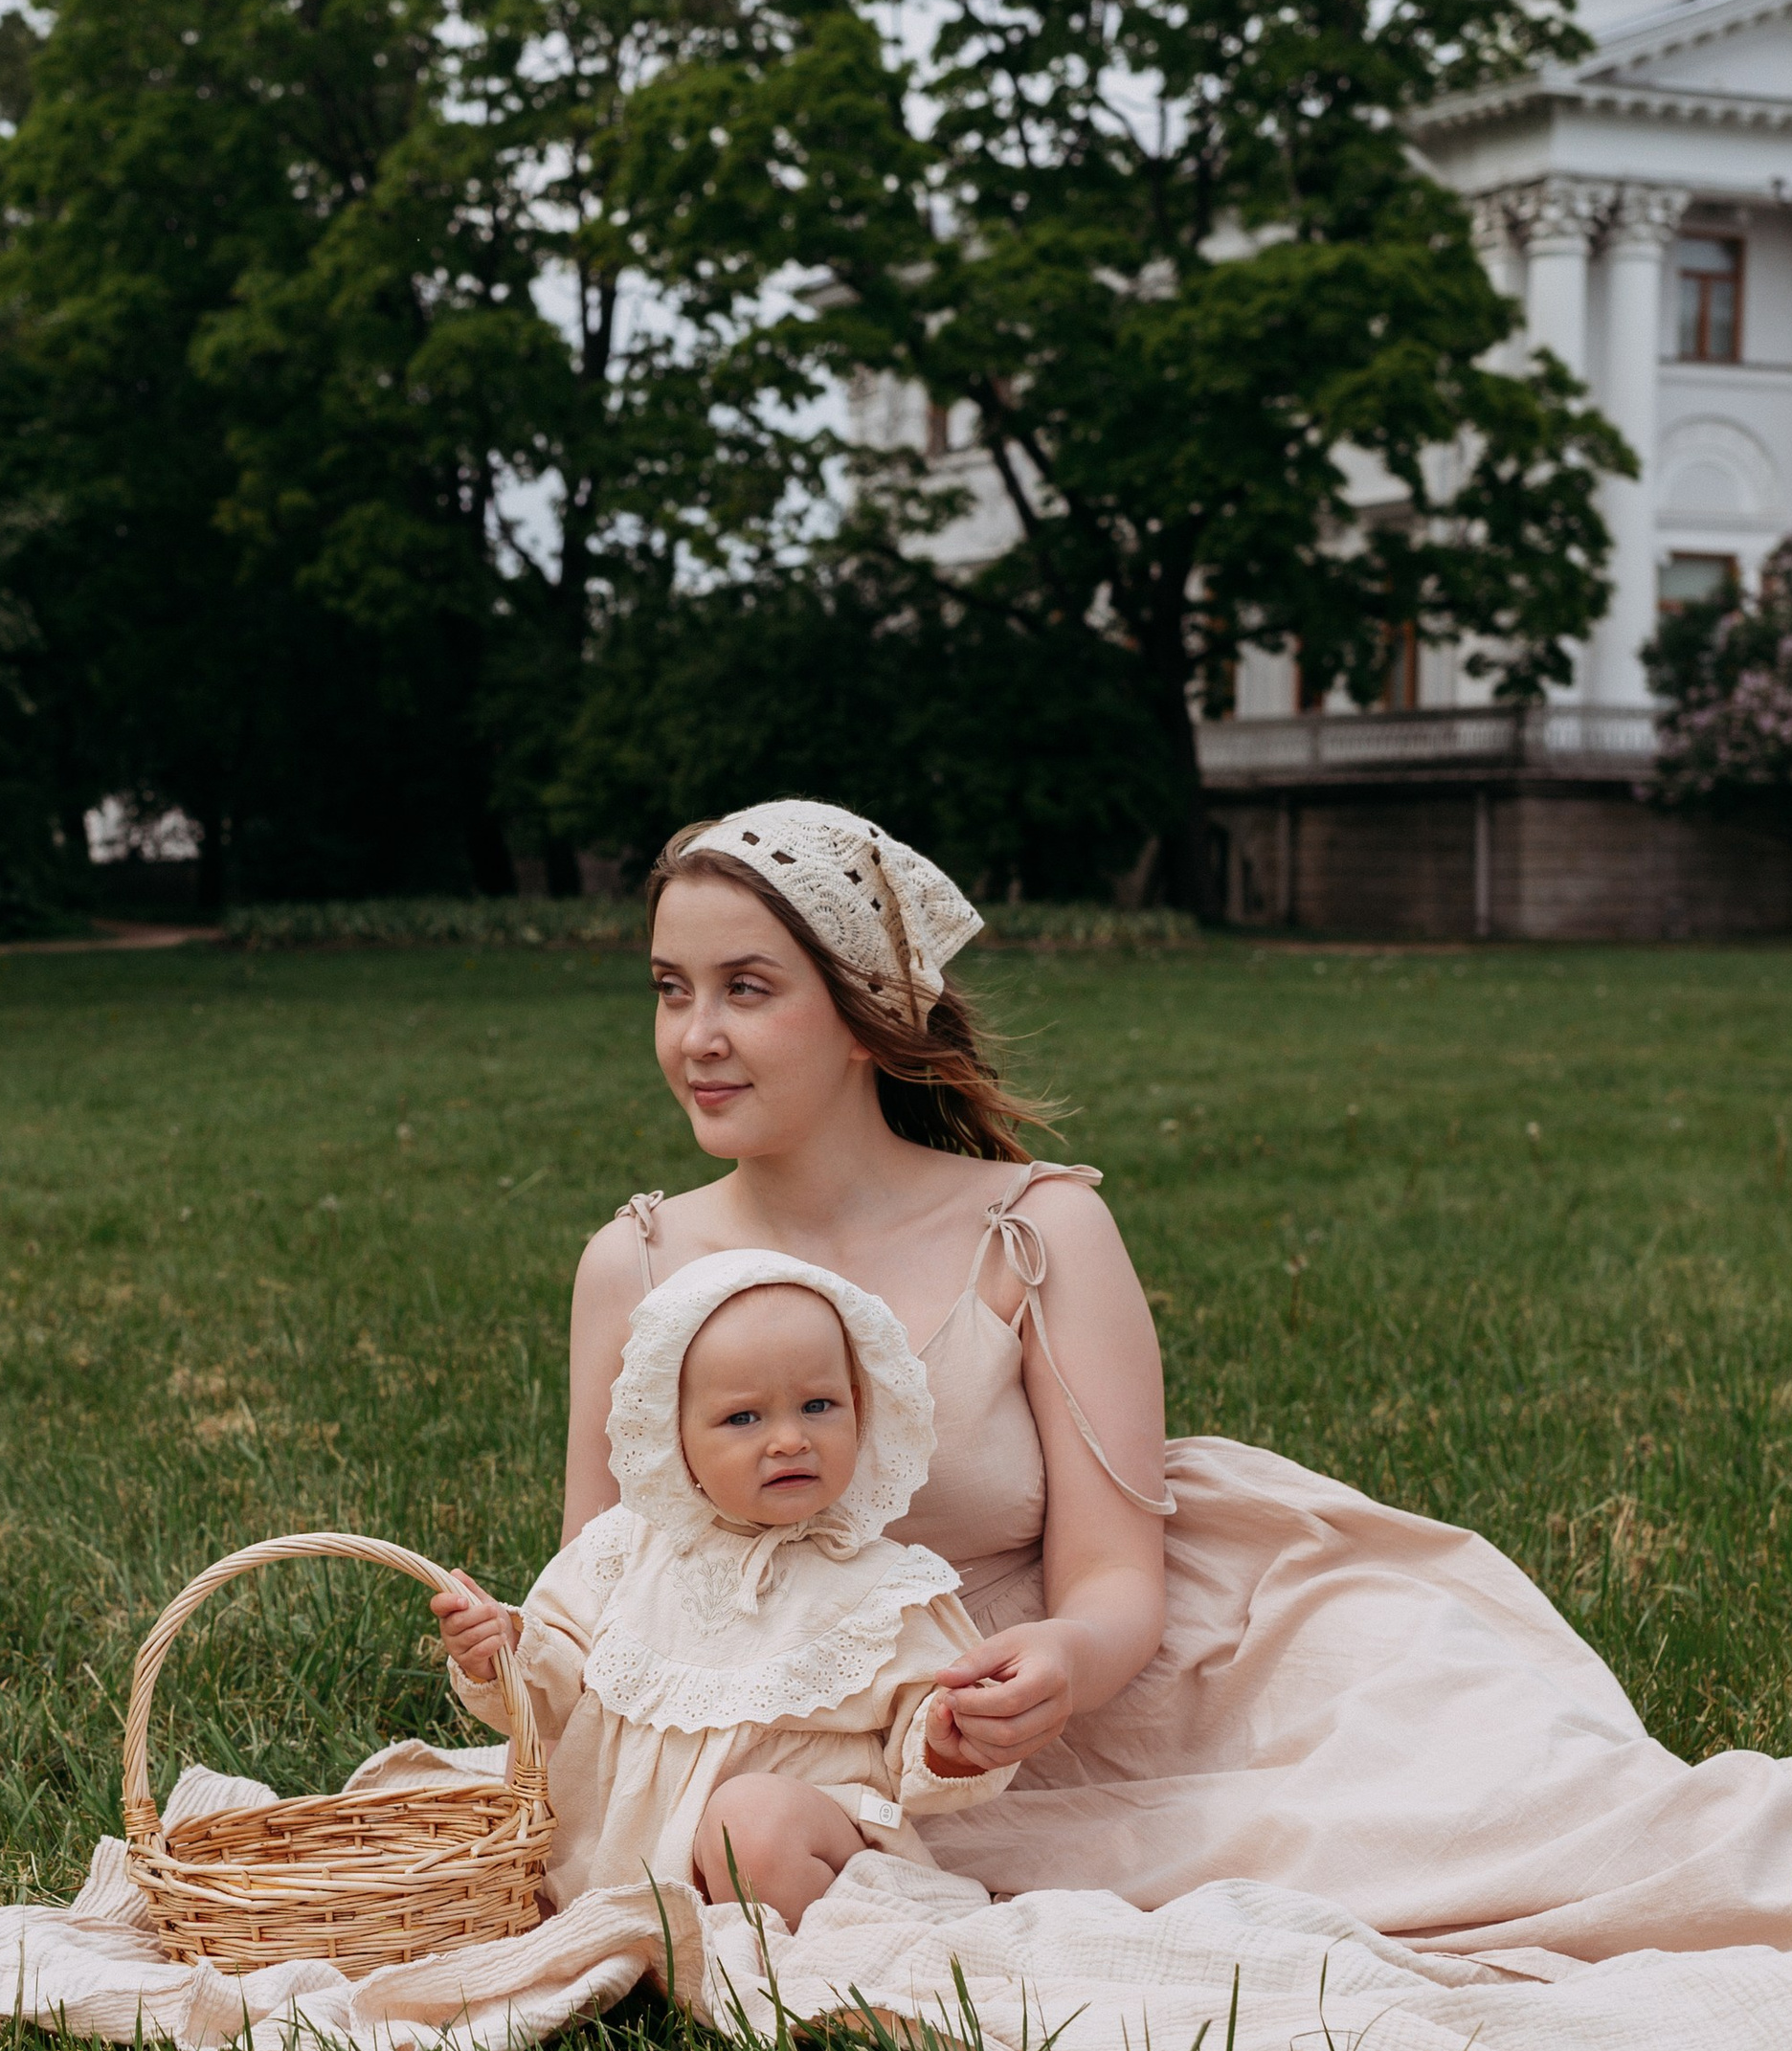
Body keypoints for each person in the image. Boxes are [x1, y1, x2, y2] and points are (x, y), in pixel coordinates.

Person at [562, 797, 1792, 1959]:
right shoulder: (640, 1262)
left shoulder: (1033, 1232)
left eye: (746, 989)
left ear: (866, 1010)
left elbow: (1110, 1574)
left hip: (1050, 1722)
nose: (695, 1037)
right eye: (671, 991)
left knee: (1480, 1821)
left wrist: (1064, 1660)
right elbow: (595, 1591)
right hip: (771, 1744)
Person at [432, 1251, 1011, 1922]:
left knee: (749, 1821)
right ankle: (652, 1933)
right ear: (675, 1440)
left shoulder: (883, 1588)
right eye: (744, 1418)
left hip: (808, 1851)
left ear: (863, 1410)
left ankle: (806, 1963)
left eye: (819, 1405)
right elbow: (548, 1698)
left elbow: (927, 1757)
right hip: (629, 1863)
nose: (791, 1439)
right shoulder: (624, 1551)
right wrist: (501, 1647)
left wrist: (951, 1736)